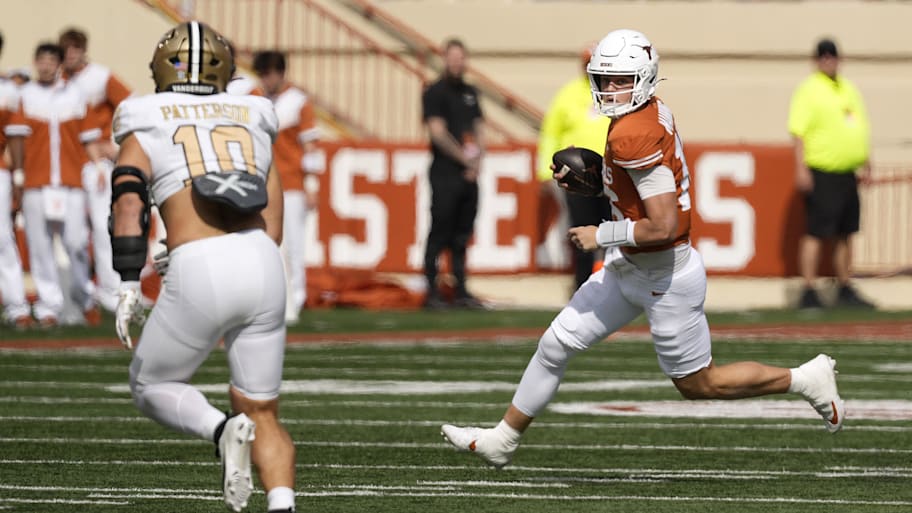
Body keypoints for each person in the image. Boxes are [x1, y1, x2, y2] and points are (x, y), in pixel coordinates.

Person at [440, 29, 845, 469]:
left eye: (621, 80)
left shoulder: (633, 133)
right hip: (629, 270)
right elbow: (644, 197)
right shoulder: (644, 114)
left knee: (698, 384)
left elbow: (666, 225)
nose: (610, 90)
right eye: (605, 79)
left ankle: (805, 379)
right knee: (555, 344)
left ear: (646, 78)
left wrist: (602, 234)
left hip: (664, 277)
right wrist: (600, 184)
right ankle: (504, 439)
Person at [109, 21, 296, 513]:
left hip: (201, 263)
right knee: (263, 412)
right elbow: (274, 220)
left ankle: (219, 431)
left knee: (151, 386)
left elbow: (129, 206)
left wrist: (129, 284)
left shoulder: (144, 114)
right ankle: (282, 504)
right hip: (261, 260)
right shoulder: (255, 113)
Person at [8, 42, 102, 327]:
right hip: (37, 179)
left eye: (52, 60)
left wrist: (98, 166)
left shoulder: (76, 94)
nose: (46, 65)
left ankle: (83, 297)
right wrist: (19, 175)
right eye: (42, 60)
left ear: (60, 64)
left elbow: (89, 136)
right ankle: (49, 306)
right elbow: (17, 138)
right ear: (36, 62)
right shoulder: (24, 95)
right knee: (40, 245)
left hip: (71, 180)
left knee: (75, 241)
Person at [788, 38, 874, 309]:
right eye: (824, 57)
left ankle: (844, 285)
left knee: (845, 232)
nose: (829, 61)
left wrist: (866, 159)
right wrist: (801, 168)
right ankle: (809, 288)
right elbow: (798, 132)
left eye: (832, 56)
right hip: (822, 170)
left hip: (847, 172)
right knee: (816, 231)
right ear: (817, 60)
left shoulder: (847, 89)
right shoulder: (809, 90)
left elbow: (858, 125)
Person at [59, 27, 133, 313]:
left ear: (83, 49)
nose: (71, 54)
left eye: (76, 48)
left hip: (96, 164)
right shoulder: (58, 80)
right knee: (72, 234)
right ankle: (82, 294)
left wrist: (115, 144)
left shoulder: (100, 76)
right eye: (67, 49)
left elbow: (131, 104)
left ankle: (111, 293)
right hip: (68, 165)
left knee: (104, 228)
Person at [251, 50, 322, 326]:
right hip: (265, 182)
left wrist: (312, 184)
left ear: (280, 73)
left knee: (293, 243)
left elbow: (311, 146)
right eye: (262, 74)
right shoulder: (258, 100)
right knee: (268, 243)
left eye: (269, 73)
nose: (265, 80)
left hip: (291, 182)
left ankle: (297, 297)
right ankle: (274, 298)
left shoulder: (298, 102)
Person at [537, 44, 613, 291]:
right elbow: (550, 133)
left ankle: (611, 284)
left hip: (611, 175)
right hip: (578, 177)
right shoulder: (568, 95)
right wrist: (543, 170)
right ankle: (582, 284)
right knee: (581, 229)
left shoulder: (610, 91)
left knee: (612, 231)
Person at [421, 38, 486, 309]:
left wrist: (478, 160)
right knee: (440, 230)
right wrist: (465, 160)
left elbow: (479, 127)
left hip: (468, 176)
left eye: (461, 58)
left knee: (462, 233)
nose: (457, 63)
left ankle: (460, 289)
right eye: (453, 57)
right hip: (446, 173)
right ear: (445, 59)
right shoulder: (435, 92)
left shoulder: (470, 92)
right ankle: (432, 290)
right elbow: (437, 133)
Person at [0, 31, 32, 328]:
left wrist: (19, 176)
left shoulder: (8, 91)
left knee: (2, 237)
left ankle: (16, 305)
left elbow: (17, 138)